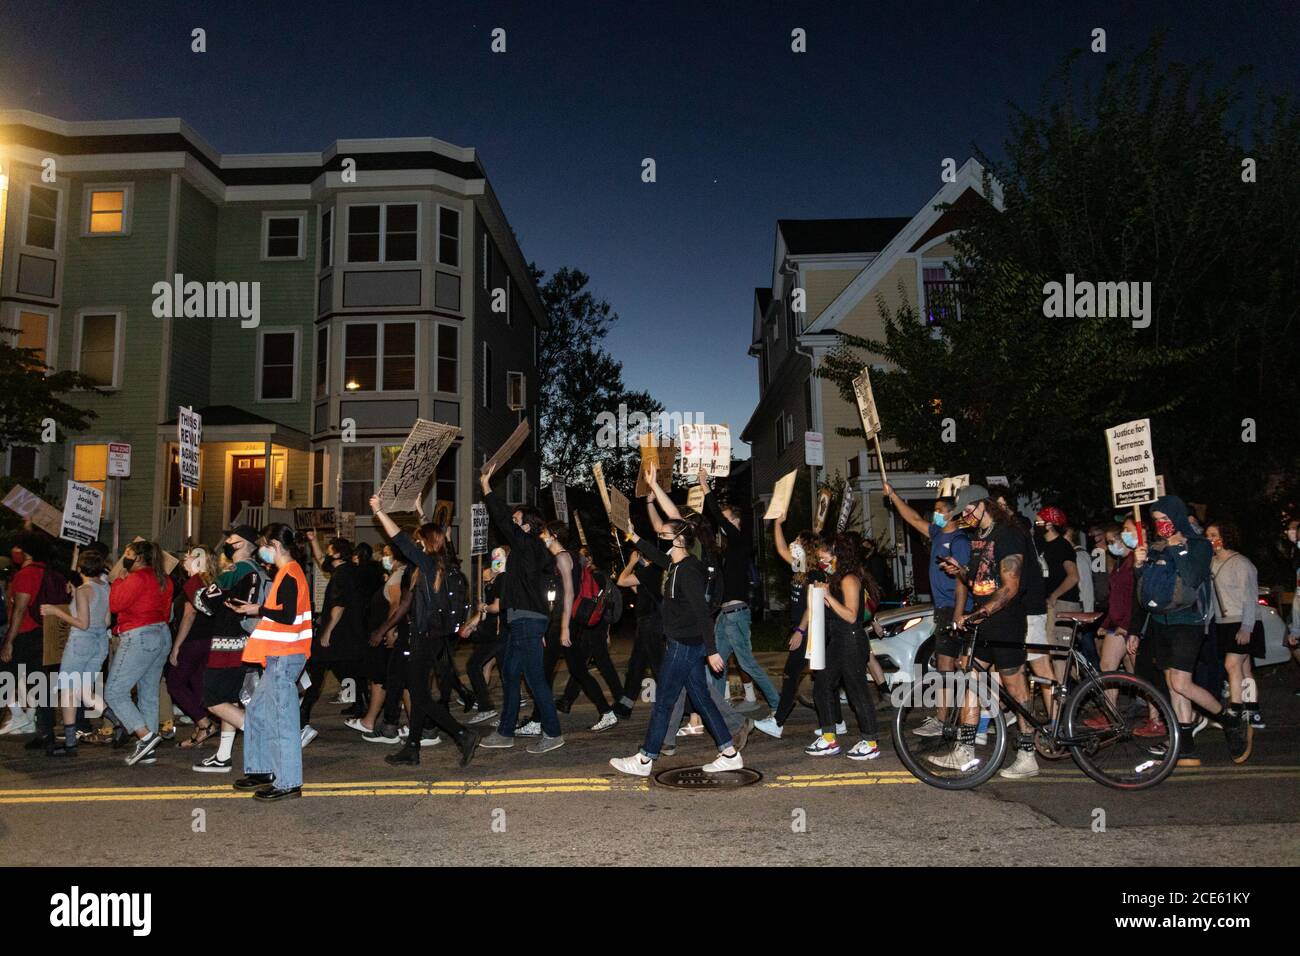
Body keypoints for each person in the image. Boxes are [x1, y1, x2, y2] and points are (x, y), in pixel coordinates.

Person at [610, 515, 742, 777]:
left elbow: (702, 612)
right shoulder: (674, 564)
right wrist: (634, 535)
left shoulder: (689, 570)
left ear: (680, 539)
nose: (661, 539)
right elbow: (655, 555)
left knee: (664, 702)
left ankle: (646, 758)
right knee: (702, 699)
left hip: (684, 644)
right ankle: (729, 753)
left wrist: (712, 649)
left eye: (664, 535)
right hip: (685, 643)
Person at [1134, 496, 1251, 766]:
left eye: (1165, 518)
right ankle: (1186, 745)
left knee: (1181, 683)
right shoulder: (1156, 547)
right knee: (1173, 686)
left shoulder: (1198, 545)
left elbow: (1192, 576)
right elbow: (1147, 588)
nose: (1161, 524)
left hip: (1188, 622)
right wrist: (1140, 565)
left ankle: (1227, 719)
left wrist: (1178, 549)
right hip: (1160, 622)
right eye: (1157, 520)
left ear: (1177, 517)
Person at [934, 485, 1039, 779]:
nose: (965, 516)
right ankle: (964, 749)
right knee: (970, 680)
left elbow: (1009, 587)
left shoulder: (1007, 535)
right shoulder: (978, 537)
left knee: (1015, 687)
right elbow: (981, 580)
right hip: (982, 622)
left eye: (968, 510)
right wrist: (961, 572)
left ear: (984, 505)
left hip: (1005, 621)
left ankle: (1028, 755)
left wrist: (980, 612)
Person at [368, 498, 481, 768]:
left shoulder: (428, 566)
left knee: (419, 696)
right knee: (419, 695)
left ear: (424, 544)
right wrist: (420, 512)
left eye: (419, 542)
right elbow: (435, 534)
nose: (415, 545)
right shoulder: (446, 562)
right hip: (438, 639)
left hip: (422, 639)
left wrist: (379, 511)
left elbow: (400, 540)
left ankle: (462, 733)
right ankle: (412, 747)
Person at [477, 463, 566, 754]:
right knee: (511, 674)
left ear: (527, 525)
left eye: (517, 521)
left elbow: (501, 518)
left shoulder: (528, 543)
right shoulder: (526, 550)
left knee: (534, 678)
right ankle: (505, 731)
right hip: (521, 621)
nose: (512, 525)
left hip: (527, 622)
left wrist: (486, 486)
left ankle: (553, 733)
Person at [229, 524, 313, 801]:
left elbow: (286, 616)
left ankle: (288, 782)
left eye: (264, 544)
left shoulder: (289, 573)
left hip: (283, 656)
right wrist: (257, 609)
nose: (261, 550)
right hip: (280, 656)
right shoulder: (289, 573)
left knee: (280, 721)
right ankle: (262, 770)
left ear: (275, 545)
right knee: (259, 713)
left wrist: (258, 609)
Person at [882, 483, 971, 737]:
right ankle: (943, 718)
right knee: (944, 665)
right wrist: (894, 495)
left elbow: (963, 581)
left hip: (956, 610)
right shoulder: (937, 534)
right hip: (943, 608)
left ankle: (961, 720)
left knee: (957, 665)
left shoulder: (959, 541)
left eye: (940, 510)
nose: (935, 515)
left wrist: (958, 614)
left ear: (953, 513)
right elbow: (912, 518)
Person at [698, 469, 777, 711]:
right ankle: (719, 707)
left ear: (735, 522)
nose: (722, 524)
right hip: (726, 614)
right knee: (717, 662)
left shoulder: (741, 540)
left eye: (725, 520)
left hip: (736, 614)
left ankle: (778, 703)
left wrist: (705, 486)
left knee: (747, 663)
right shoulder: (730, 547)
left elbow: (718, 519)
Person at [189, 527, 264, 772]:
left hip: (228, 645)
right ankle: (223, 756)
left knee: (213, 700)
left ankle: (263, 736)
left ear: (242, 543)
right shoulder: (258, 570)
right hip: (246, 642)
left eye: (231, 538)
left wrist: (194, 575)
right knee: (230, 700)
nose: (227, 542)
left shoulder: (238, 570)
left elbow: (204, 603)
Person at [801, 532, 881, 760]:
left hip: (851, 640)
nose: (823, 561)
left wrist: (828, 596)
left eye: (826, 556)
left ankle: (871, 741)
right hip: (838, 641)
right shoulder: (837, 578)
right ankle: (829, 738)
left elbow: (851, 615)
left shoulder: (849, 579)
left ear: (839, 555)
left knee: (857, 692)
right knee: (822, 686)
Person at [105, 541, 174, 766]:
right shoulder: (164, 578)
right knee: (149, 692)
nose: (124, 556)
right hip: (161, 634)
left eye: (128, 553)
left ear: (139, 557)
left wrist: (117, 581)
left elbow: (115, 605)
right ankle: (149, 749)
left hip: (139, 636)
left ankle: (145, 737)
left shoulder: (136, 578)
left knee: (114, 692)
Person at [39, 551, 111, 757]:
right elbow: (106, 621)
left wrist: (56, 611)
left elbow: (82, 623)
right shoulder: (106, 587)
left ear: (80, 569)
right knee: (83, 692)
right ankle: (118, 722)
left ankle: (70, 744)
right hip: (99, 644)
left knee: (69, 692)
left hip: (80, 643)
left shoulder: (83, 590)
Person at [301, 534, 366, 745]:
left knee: (317, 673)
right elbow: (322, 561)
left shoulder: (340, 576)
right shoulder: (348, 570)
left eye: (329, 551)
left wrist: (327, 631)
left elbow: (338, 606)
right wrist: (313, 540)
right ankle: (360, 705)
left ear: (337, 554)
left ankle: (303, 717)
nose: (326, 555)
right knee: (347, 669)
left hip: (336, 634)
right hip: (348, 634)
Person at [1206, 521, 1265, 730]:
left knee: (1231, 665)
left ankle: (1235, 708)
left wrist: (1247, 627)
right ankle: (1253, 710)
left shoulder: (1241, 563)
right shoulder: (1211, 563)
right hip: (1224, 623)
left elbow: (1250, 596)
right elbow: (1213, 597)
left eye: (1214, 534)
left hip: (1243, 621)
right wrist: (1208, 622)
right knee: (1244, 667)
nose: (1210, 539)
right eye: (1208, 535)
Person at [347, 544, 405, 735]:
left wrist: (386, 631)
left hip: (386, 635)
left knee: (394, 681)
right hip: (384, 633)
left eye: (388, 554)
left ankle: (375, 722)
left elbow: (396, 605)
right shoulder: (395, 574)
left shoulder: (398, 576)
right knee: (389, 680)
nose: (383, 558)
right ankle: (375, 721)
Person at [1, 533, 53, 738]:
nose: (15, 552)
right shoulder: (47, 572)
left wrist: (9, 642)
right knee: (37, 680)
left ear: (26, 551)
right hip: (42, 633)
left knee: (4, 677)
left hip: (24, 634)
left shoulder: (25, 575)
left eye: (18, 548)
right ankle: (37, 724)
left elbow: (20, 611)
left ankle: (19, 715)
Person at [168, 547, 216, 749]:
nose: (185, 559)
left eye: (190, 556)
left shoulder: (194, 583)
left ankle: (204, 723)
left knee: (175, 683)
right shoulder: (210, 582)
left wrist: (176, 647)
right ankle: (201, 729)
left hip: (193, 640)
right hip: (206, 641)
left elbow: (189, 615)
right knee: (197, 684)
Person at [614, 545, 665, 716]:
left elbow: (621, 581)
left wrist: (630, 563)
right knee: (636, 665)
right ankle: (625, 705)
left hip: (650, 623)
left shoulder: (651, 571)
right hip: (647, 623)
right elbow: (638, 591)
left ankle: (675, 706)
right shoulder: (653, 572)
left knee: (658, 666)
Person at [459, 548, 507, 726]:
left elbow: (495, 608)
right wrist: (471, 626)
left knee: (474, 666)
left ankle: (488, 708)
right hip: (491, 634)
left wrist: (484, 608)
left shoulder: (501, 583)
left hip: (498, 634)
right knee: (502, 671)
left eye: (486, 575)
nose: (484, 577)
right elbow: (482, 612)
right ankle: (497, 711)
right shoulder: (490, 586)